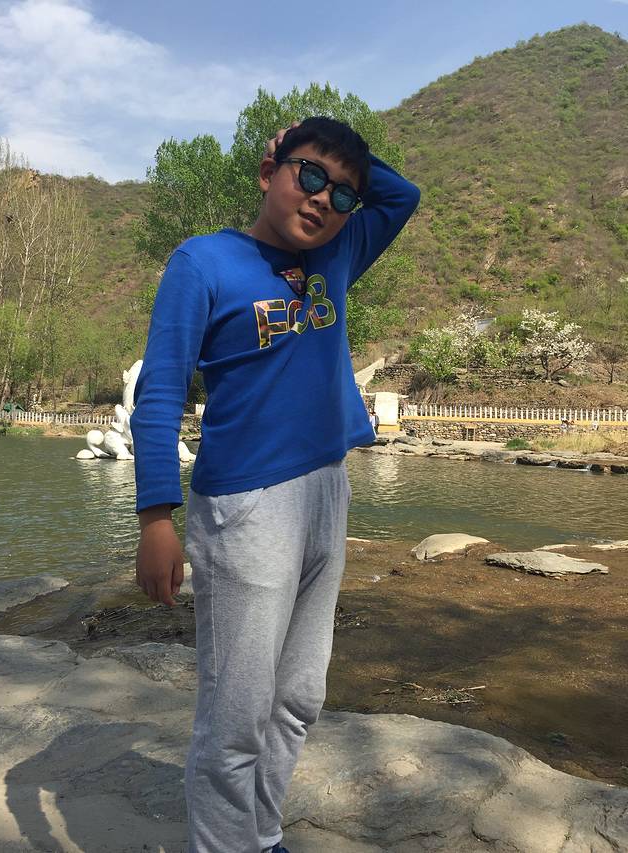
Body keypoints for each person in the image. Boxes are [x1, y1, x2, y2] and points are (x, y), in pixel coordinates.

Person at [130, 116, 420, 853]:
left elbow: (402, 196)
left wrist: (335, 160)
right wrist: (156, 516)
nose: (323, 199)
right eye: (309, 176)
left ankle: (258, 836)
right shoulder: (203, 262)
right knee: (235, 716)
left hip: (327, 491)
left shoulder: (338, 252)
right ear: (268, 173)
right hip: (246, 505)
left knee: (297, 699)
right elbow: (160, 389)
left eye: (342, 193)